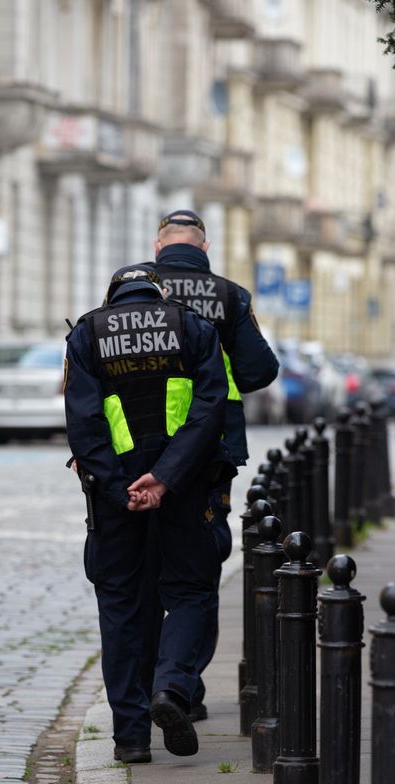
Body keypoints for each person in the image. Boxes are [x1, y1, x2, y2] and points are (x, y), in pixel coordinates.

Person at [65, 262, 232, 764]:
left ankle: (131, 738)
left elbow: (85, 425)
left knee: (120, 606)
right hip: (182, 486)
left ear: (112, 296)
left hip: (115, 496)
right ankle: (171, 687)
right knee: (189, 591)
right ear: (157, 295)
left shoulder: (87, 334)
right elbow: (210, 408)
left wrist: (122, 491)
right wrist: (165, 478)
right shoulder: (192, 327)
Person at [150, 210, 279, 721]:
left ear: (158, 247)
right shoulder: (229, 295)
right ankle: (182, 686)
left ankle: (145, 690)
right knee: (198, 569)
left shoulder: (132, 290)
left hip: (135, 450)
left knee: (142, 569)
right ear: (205, 249)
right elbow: (260, 369)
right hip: (209, 452)